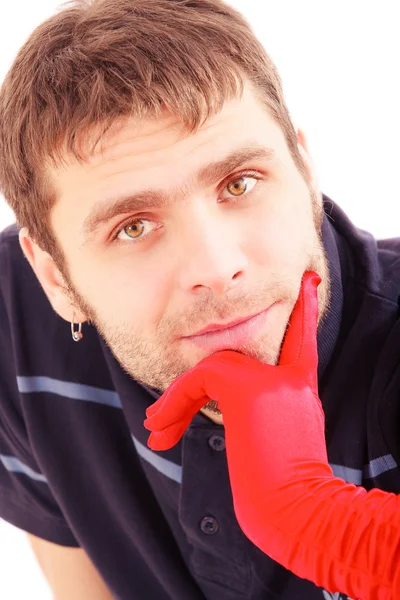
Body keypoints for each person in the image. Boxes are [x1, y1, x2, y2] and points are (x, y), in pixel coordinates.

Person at [0, 0, 399, 598]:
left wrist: (324, 524)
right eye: (132, 226)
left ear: (305, 171)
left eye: (239, 183)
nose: (218, 267)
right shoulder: (16, 322)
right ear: (56, 278)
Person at [144, 271, 400, 600]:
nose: (217, 270)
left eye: (241, 213)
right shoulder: (59, 368)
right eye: (133, 229)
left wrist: (315, 518)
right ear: (59, 287)